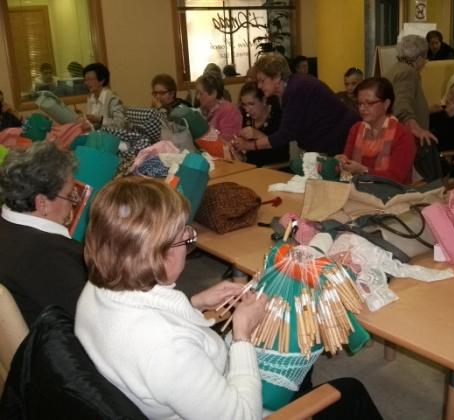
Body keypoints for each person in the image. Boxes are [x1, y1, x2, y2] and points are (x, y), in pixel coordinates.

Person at [75, 176, 382, 420]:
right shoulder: (167, 349)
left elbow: (154, 321)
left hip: (186, 388)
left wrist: (194, 303)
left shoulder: (95, 290)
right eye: (184, 237)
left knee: (299, 356)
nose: (188, 241)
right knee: (348, 391)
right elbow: (243, 416)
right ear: (158, 254)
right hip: (234, 405)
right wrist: (242, 336)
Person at [0, 142, 87, 326]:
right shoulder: (49, 255)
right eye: (69, 195)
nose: (73, 203)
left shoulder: (8, 230)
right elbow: (94, 322)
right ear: (42, 203)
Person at [233, 52, 359, 156]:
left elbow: (286, 134)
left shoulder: (296, 89)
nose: (259, 86)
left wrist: (250, 145)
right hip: (332, 142)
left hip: (345, 140)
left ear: (277, 77)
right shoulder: (292, 87)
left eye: (262, 81)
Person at [336, 77, 416, 184]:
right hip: (358, 190)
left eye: (369, 103)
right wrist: (341, 162)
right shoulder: (356, 129)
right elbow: (346, 169)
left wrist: (364, 171)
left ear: (386, 104)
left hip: (393, 193)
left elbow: (396, 178)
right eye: (360, 103)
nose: (362, 109)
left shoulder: (403, 134)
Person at [386, 34, 437, 145]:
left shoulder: (397, 68)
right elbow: (401, 104)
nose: (425, 62)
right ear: (419, 59)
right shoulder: (408, 73)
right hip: (408, 139)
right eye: (425, 58)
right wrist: (415, 128)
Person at [238, 81, 289, 166]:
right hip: (252, 169)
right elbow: (247, 153)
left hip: (276, 168)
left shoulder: (278, 115)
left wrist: (258, 135)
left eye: (251, 104)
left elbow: (282, 151)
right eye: (244, 105)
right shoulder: (247, 117)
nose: (247, 109)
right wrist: (239, 146)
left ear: (264, 100)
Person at [150, 73, 208, 140]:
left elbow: (171, 134)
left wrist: (160, 110)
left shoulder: (180, 109)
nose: (157, 97)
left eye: (162, 93)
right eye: (155, 93)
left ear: (172, 94)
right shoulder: (160, 107)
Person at [195, 72, 242, 141]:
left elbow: (228, 141)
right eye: (197, 93)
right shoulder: (205, 109)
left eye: (201, 93)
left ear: (213, 93)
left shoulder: (229, 111)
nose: (197, 97)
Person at [83, 62, 127, 129]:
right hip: (99, 134)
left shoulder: (112, 98)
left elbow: (120, 124)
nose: (86, 83)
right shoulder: (91, 98)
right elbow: (96, 125)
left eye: (90, 79)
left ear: (102, 81)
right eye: (85, 80)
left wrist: (100, 120)